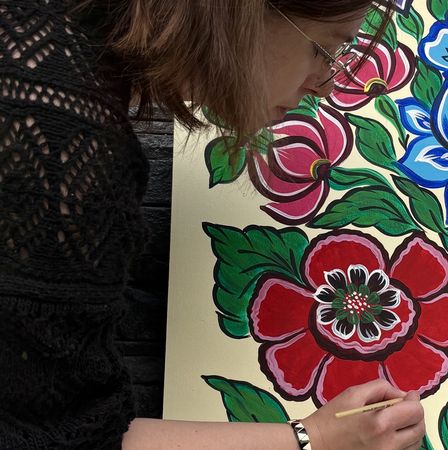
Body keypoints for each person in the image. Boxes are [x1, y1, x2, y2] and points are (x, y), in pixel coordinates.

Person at [0, 0, 425, 449]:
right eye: (323, 50)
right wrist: (314, 438)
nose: (325, 85)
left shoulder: (56, 44)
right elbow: (58, 438)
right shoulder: (58, 131)